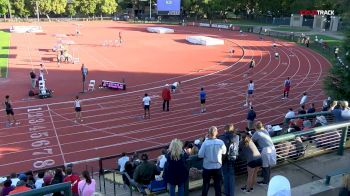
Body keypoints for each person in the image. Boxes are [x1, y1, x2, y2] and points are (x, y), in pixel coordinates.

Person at [198, 126, 227, 196]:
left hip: (207, 167)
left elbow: (200, 155)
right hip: (217, 167)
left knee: (206, 185)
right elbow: (224, 152)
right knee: (218, 186)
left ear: (208, 133)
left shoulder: (205, 143)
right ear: (216, 133)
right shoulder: (220, 142)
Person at [218, 124, 239, 196]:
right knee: (231, 176)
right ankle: (231, 193)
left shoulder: (221, 138)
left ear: (225, 130)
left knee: (226, 176)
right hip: (233, 158)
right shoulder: (236, 137)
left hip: (224, 159)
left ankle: (227, 192)